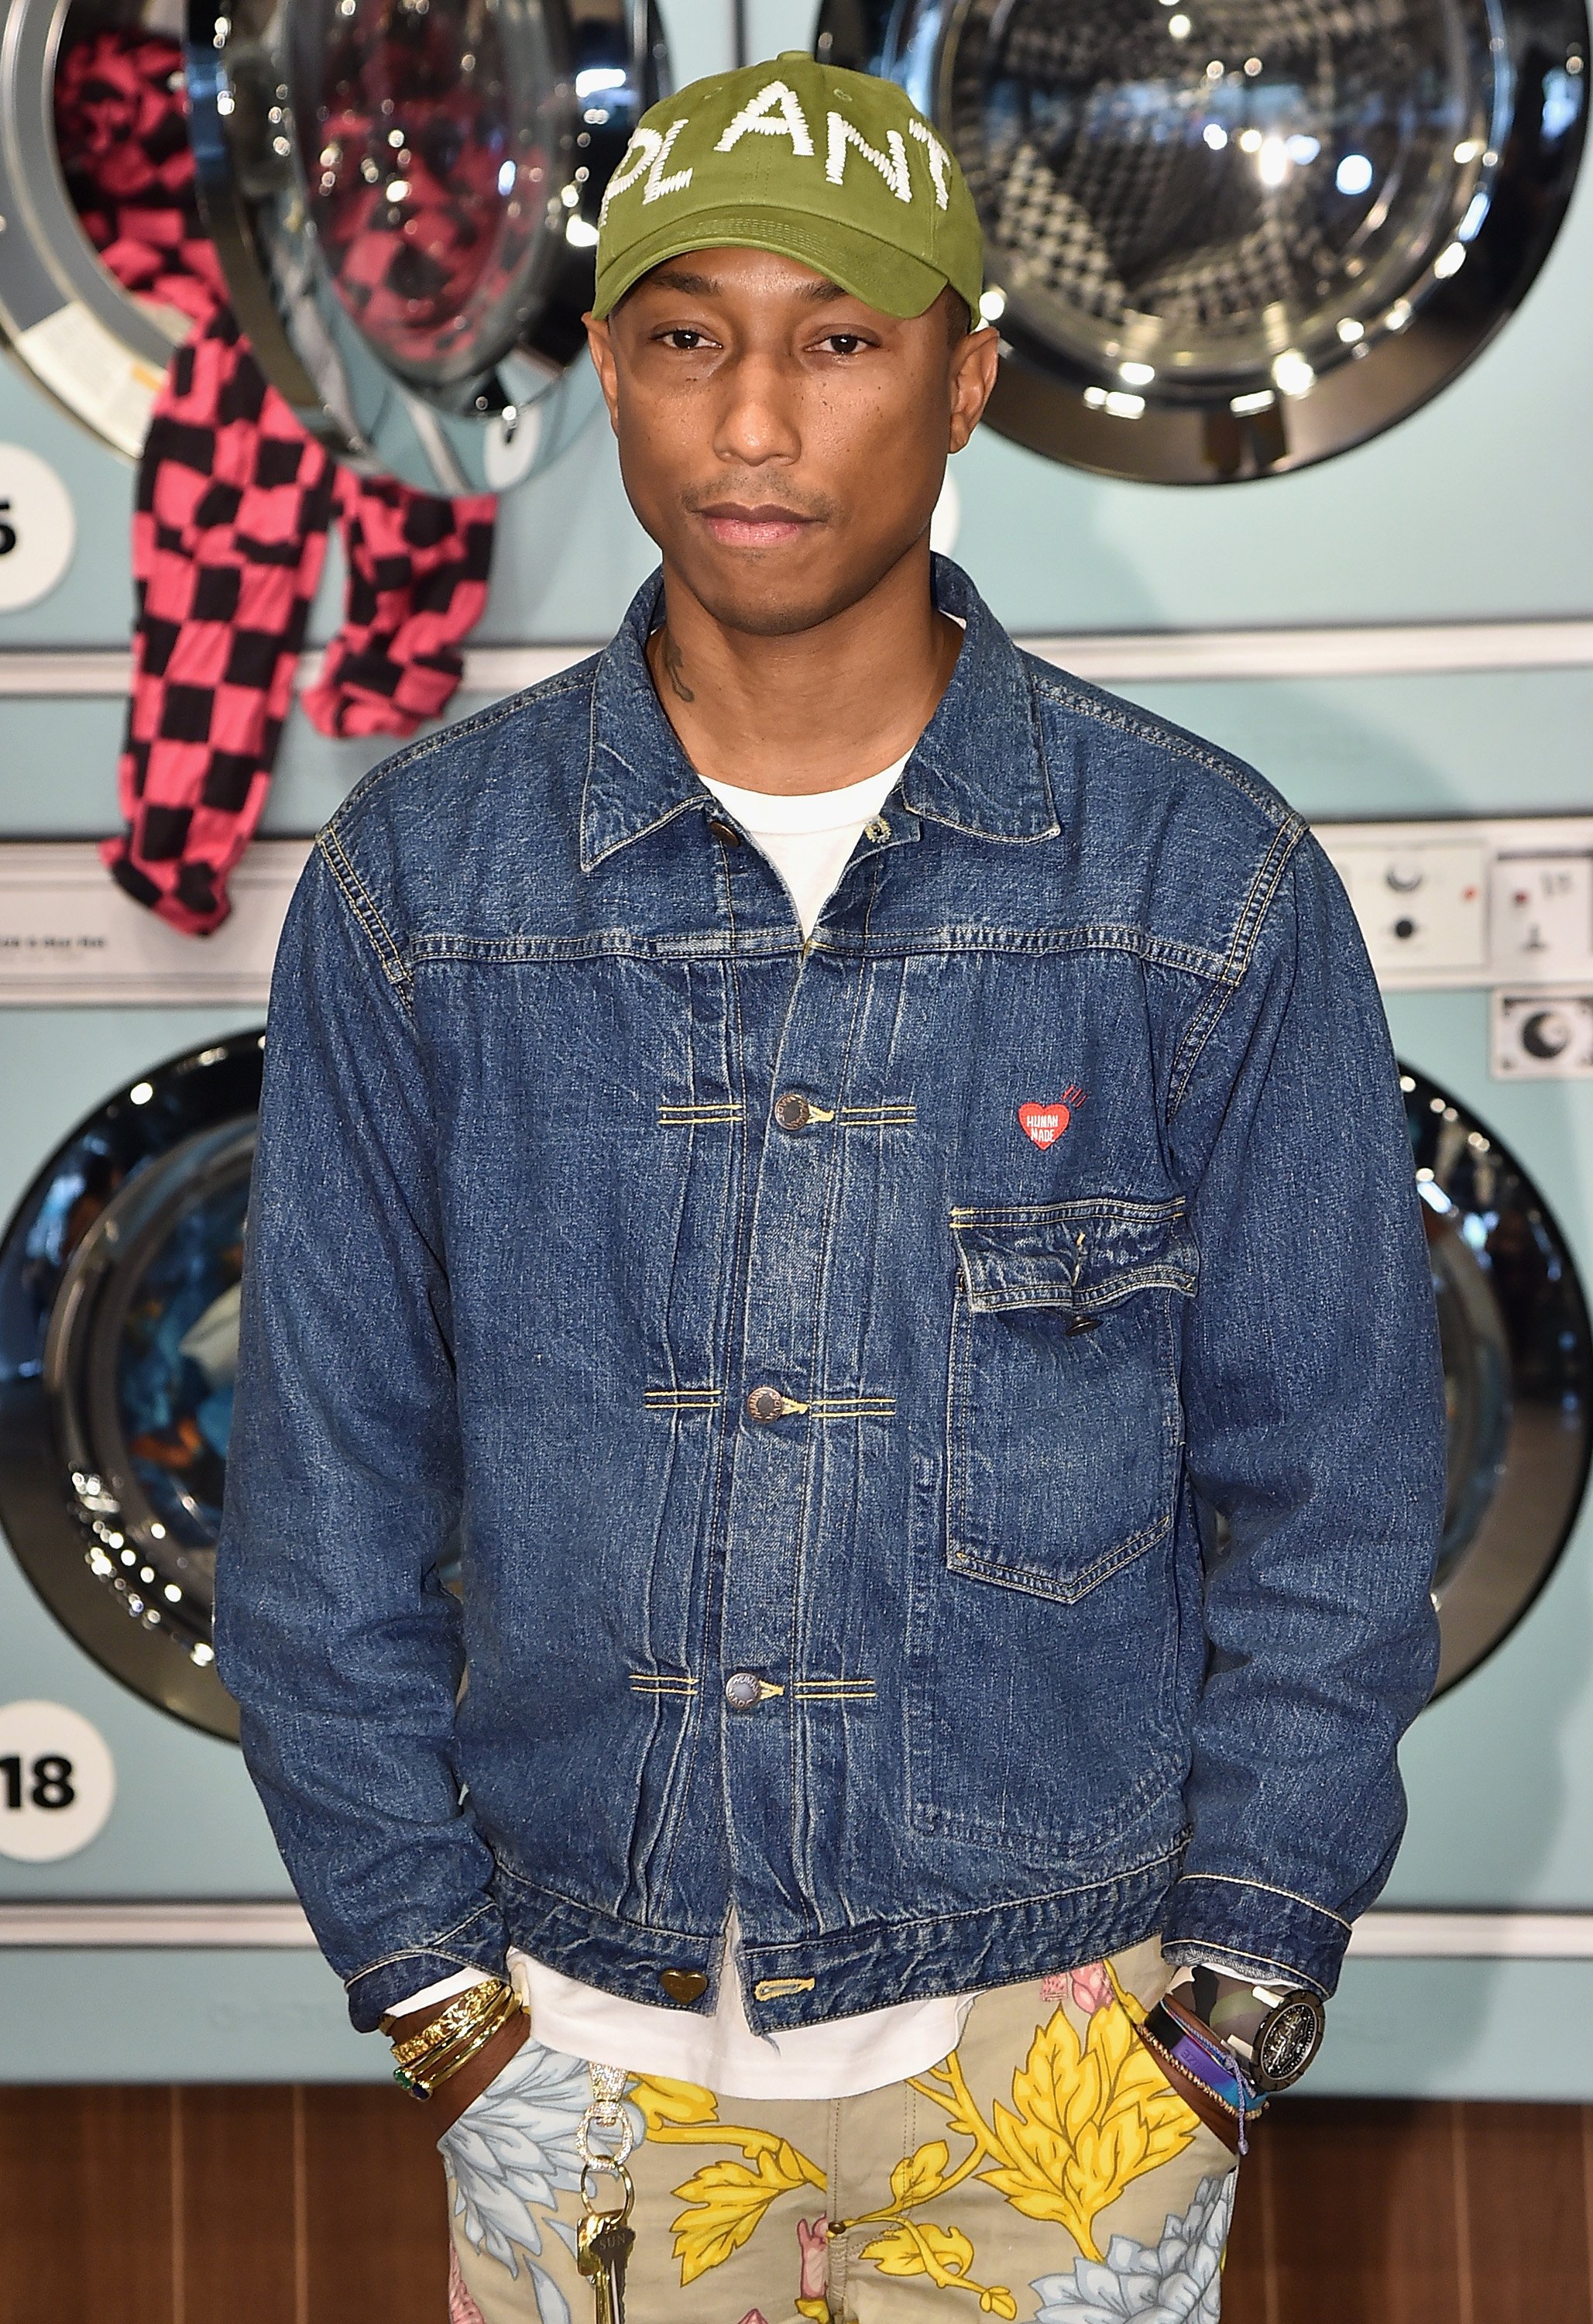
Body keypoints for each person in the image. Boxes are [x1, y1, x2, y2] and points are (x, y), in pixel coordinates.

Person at [216, 50, 1447, 2324]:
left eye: (841, 340)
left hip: (1059, 2045)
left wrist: (1229, 2012)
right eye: (687, 338)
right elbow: (318, 1498)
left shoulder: (1193, 884)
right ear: (607, 371)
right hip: (572, 2036)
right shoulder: (423, 883)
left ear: (969, 378)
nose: (752, 422)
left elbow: (1343, 1497)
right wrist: (441, 2004)